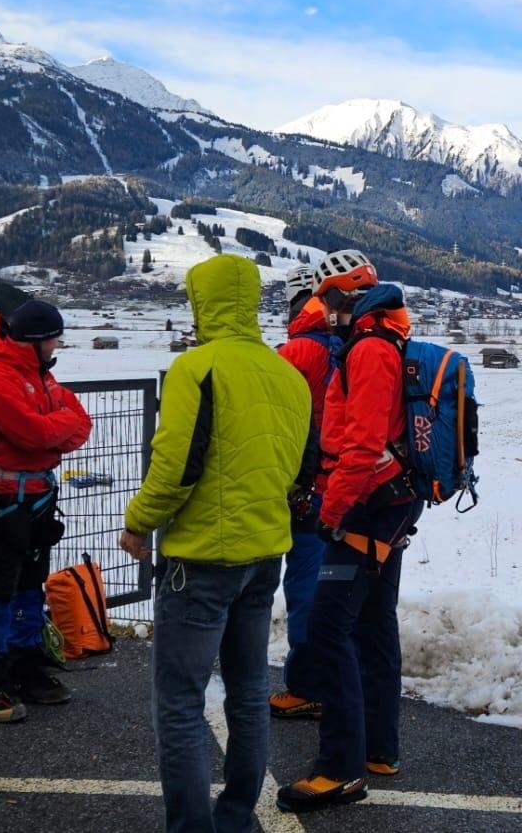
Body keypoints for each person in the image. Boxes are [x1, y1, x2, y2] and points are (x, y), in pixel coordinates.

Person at [120, 254, 310, 833]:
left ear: (202, 303)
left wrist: (138, 522)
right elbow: (301, 468)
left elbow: (175, 465)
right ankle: (236, 820)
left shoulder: (196, 368)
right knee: (250, 691)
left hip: (200, 559)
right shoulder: (287, 375)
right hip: (264, 553)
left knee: (179, 700)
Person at [278, 250, 425, 814]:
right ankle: (379, 751)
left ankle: (339, 769)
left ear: (337, 297)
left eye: (324, 299)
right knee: (372, 624)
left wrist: (330, 512)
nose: (321, 309)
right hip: (390, 503)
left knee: (327, 630)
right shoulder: (382, 341)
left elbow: (361, 445)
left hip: (365, 505)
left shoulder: (366, 351)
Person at [0, 299, 92, 722]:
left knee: (28, 585)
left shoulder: (38, 375)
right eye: (53, 338)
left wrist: (54, 430)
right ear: (36, 341)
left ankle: (24, 663)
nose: (56, 344)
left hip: (35, 496)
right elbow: (35, 434)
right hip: (4, 499)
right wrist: (57, 429)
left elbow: (81, 422)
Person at [271, 263, 342, 720]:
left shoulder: (296, 352)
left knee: (303, 588)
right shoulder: (348, 345)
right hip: (342, 486)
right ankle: (331, 679)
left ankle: (307, 687)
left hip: (302, 488)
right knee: (330, 586)